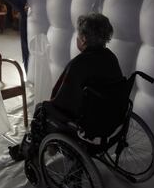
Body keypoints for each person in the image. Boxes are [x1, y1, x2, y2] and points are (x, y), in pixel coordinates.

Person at [9, 13, 124, 161]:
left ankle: (29, 150)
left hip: (88, 124)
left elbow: (62, 100)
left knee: (41, 110)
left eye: (78, 35)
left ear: (83, 39)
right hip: (112, 117)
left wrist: (48, 105)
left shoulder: (79, 64)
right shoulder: (111, 57)